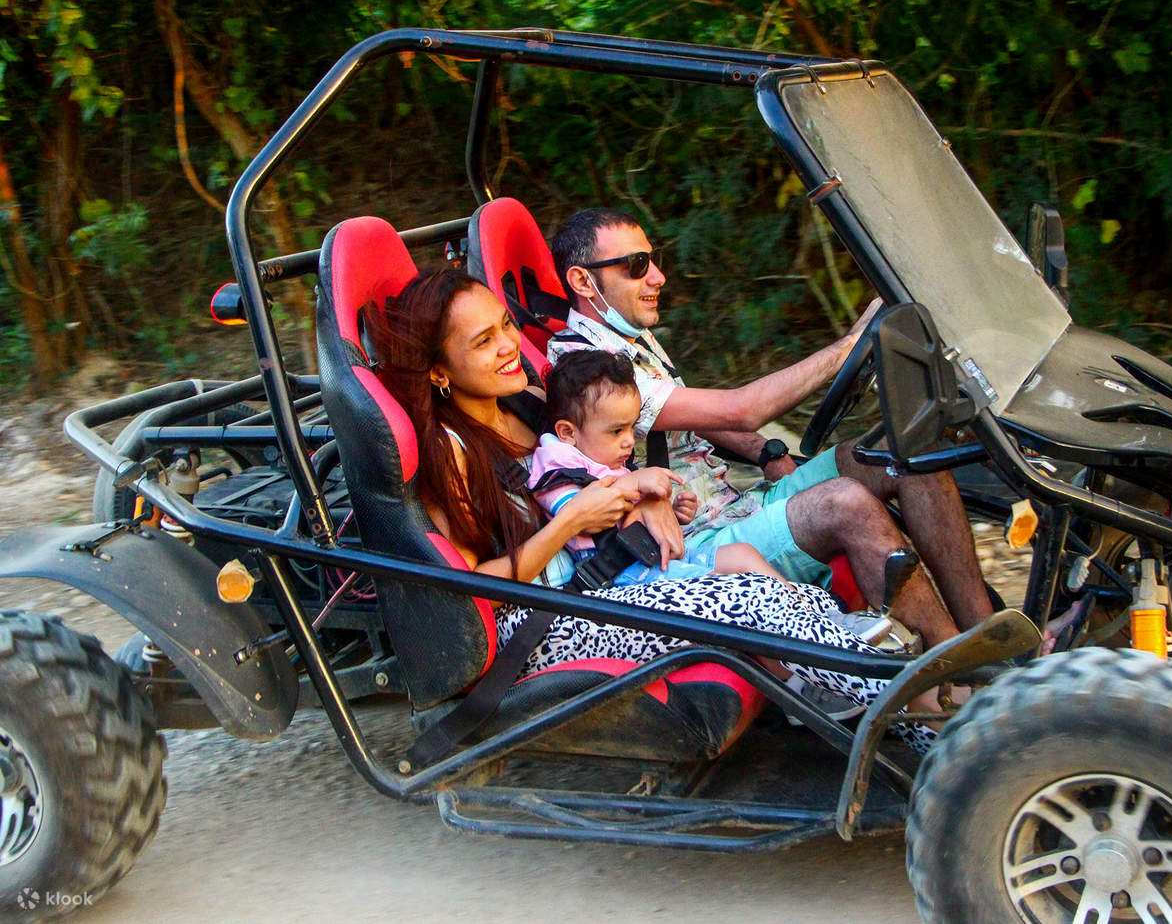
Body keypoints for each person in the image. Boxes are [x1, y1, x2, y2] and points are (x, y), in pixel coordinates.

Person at [365, 265, 932, 737]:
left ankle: (898, 693)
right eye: (482, 342)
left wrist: (645, 497)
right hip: (540, 622)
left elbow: (600, 467)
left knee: (758, 580)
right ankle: (913, 709)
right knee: (750, 599)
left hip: (600, 582)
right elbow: (463, 590)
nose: (510, 346)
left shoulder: (529, 402)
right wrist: (569, 523)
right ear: (439, 371)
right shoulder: (453, 451)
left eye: (506, 325)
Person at [548, 208, 994, 648]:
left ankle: (987, 633)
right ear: (583, 281)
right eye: (636, 265)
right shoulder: (587, 371)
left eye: (654, 259)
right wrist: (850, 344)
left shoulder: (630, 338)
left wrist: (766, 452)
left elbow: (691, 413)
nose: (658, 276)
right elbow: (739, 411)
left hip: (737, 505)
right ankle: (958, 665)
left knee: (907, 452)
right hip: (696, 545)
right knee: (846, 502)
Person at [530, 348, 789, 586]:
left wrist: (672, 514)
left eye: (632, 427)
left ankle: (800, 609)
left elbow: (634, 517)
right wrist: (632, 483)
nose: (629, 441)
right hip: (619, 574)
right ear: (568, 432)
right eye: (617, 431)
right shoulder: (558, 466)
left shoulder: (604, 459)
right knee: (726, 584)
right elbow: (582, 519)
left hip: (648, 559)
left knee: (743, 554)